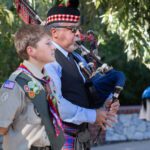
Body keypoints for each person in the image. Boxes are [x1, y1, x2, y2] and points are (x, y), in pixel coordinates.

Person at [44, 0, 120, 149]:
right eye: (73, 30)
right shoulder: (48, 61)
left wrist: (108, 100)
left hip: (80, 138)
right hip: (60, 139)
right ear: (55, 32)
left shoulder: (77, 58)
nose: (79, 34)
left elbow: (90, 87)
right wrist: (94, 116)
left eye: (78, 29)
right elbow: (58, 105)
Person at [0, 25, 64, 150]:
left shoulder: (46, 80)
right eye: (48, 44)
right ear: (31, 51)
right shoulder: (16, 84)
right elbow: (2, 126)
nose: (53, 47)